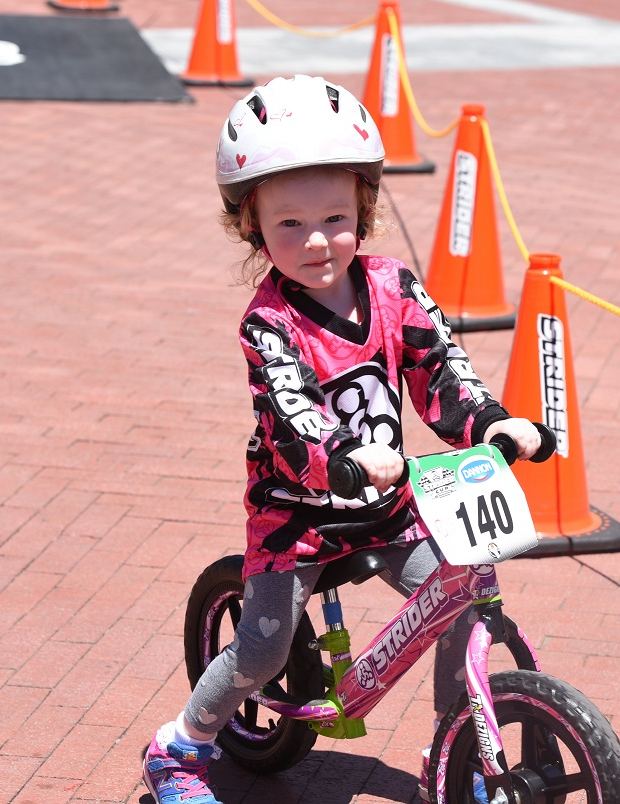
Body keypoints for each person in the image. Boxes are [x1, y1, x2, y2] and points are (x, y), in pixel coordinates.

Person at [142, 74, 540, 804]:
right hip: (298, 514)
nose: (317, 240)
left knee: (463, 595)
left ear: (364, 209)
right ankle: (181, 746)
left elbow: (441, 372)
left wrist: (492, 421)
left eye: (334, 217)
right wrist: (346, 459)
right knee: (261, 650)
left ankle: (457, 748)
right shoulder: (269, 323)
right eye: (288, 225)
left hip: (386, 506)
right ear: (252, 227)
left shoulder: (395, 288)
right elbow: (294, 417)